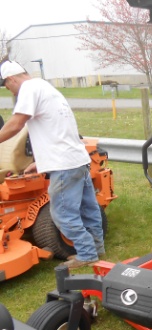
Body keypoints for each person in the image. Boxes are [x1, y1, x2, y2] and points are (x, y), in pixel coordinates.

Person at [0, 60, 104, 269]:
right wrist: (41, 163)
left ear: (11, 78)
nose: (9, 91)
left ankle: (87, 254)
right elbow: (55, 130)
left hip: (64, 165)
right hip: (76, 159)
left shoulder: (28, 89)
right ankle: (97, 247)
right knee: (88, 209)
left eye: (6, 85)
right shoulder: (45, 87)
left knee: (63, 214)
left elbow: (16, 124)